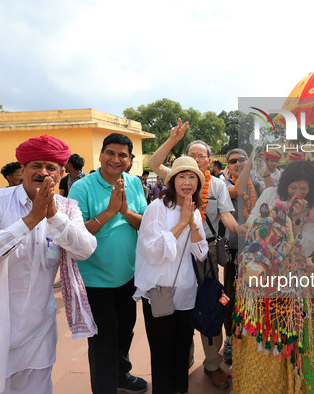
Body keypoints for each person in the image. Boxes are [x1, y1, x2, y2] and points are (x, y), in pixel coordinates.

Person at [0, 135, 97, 393]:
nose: (43, 172)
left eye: (51, 167)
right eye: (35, 165)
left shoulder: (68, 208)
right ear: (23, 170)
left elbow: (85, 249)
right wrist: (29, 221)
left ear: (61, 173)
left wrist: (53, 216)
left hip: (38, 331)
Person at [147, 118, 243, 390]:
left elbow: (226, 216)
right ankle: (183, 359)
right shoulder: (179, 177)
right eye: (192, 155)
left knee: (208, 303)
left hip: (206, 249)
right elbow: (154, 164)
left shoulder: (217, 185)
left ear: (210, 160)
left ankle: (212, 363)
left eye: (202, 156)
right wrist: (172, 140)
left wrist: (241, 229)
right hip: (174, 248)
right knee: (178, 304)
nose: (197, 160)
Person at [234, 160, 314, 393]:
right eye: (293, 187)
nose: (297, 193)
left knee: (289, 331)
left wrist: (295, 222)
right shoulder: (268, 193)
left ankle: (294, 384)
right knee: (261, 330)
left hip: (291, 282)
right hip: (260, 278)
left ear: (312, 188)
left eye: (304, 189)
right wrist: (275, 221)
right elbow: (251, 227)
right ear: (285, 183)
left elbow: (304, 248)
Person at [68, 133, 148, 394]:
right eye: (110, 153)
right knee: (103, 340)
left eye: (122, 155)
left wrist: (125, 212)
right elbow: (76, 234)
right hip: (95, 279)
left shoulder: (134, 183)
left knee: (125, 331)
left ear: (129, 159)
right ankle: (104, 388)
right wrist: (109, 212)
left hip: (129, 275)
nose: (116, 159)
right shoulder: (82, 188)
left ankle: (120, 375)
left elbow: (145, 224)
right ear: (101, 155)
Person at [134, 156, 208, 394]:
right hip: (159, 290)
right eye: (182, 177)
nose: (187, 182)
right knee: (162, 351)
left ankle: (180, 389)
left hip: (186, 290)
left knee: (181, 348)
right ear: (173, 180)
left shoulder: (193, 210)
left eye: (192, 177)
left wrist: (193, 224)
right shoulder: (157, 208)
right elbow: (154, 251)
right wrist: (181, 223)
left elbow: (201, 252)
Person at [221, 148, 258, 365]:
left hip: (256, 251)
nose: (238, 163)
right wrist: (251, 161)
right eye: (233, 161)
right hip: (234, 252)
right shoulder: (224, 185)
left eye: (242, 160)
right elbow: (238, 189)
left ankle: (251, 337)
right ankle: (229, 338)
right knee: (229, 296)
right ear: (228, 166)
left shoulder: (258, 184)